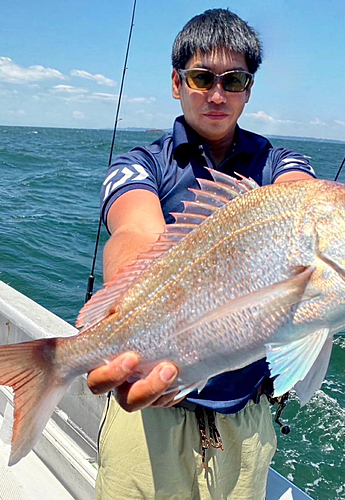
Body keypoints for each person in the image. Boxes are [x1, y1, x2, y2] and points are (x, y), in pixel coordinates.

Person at [88, 8, 316, 499]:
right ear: (176, 82)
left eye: (233, 80)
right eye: (200, 77)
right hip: (150, 411)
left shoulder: (280, 164)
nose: (217, 94)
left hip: (243, 413)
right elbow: (133, 233)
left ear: (249, 90)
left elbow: (305, 203)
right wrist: (128, 331)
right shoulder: (140, 166)